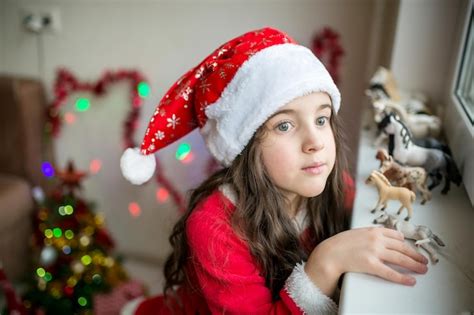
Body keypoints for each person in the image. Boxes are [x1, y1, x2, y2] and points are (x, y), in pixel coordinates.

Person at [120, 27, 428, 315]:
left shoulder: (326, 185)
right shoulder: (215, 227)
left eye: (321, 120)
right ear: (246, 144)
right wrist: (325, 263)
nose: (315, 142)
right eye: (285, 125)